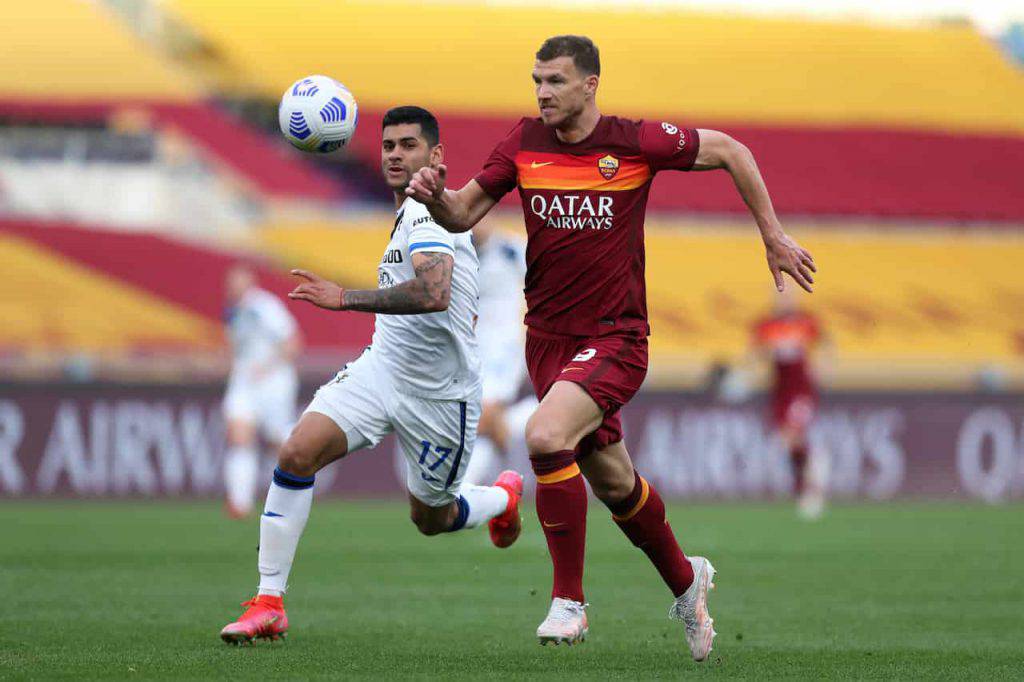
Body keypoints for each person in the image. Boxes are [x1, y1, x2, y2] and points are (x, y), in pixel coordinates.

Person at [406, 35, 817, 659]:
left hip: (616, 338)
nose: (542, 92)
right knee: (616, 482)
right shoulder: (522, 143)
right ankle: (687, 581)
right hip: (546, 343)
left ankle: (568, 601)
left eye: (556, 81)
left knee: (545, 437)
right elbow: (463, 213)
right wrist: (435, 194)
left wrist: (773, 235)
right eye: (536, 80)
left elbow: (733, 150)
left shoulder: (633, 143)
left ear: (590, 84)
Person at [219, 106, 523, 645]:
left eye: (409, 145)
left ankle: (502, 497)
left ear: (437, 156)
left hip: (440, 395)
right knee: (295, 452)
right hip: (381, 370)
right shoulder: (410, 211)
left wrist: (345, 298)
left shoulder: (428, 214)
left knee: (431, 517)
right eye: (388, 146)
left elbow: (435, 294)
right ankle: (269, 601)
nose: (396, 155)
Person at [461, 219, 537, 486]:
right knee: (481, 420)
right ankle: (535, 415)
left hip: (505, 348)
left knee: (485, 413)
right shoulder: (456, 252)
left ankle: (464, 487)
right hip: (472, 349)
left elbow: (543, 283)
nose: (474, 224)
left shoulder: (511, 249)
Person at [221, 264, 301, 518]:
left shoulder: (265, 307)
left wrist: (267, 368)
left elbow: (293, 342)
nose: (232, 287)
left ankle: (293, 489)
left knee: (278, 443)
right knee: (239, 434)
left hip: (273, 382)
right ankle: (239, 502)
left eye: (237, 282)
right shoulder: (232, 312)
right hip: (244, 383)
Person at [751, 289, 830, 518]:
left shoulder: (806, 321)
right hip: (780, 391)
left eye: (788, 297)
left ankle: (810, 486)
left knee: (792, 435)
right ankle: (807, 481)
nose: (784, 301)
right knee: (788, 442)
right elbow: (756, 353)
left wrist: (825, 369)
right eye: (780, 297)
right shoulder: (767, 325)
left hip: (800, 390)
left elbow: (825, 344)